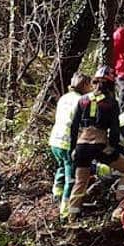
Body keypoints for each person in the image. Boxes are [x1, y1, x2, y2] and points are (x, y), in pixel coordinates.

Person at [65, 66, 124, 222]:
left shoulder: (82, 100)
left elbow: (74, 126)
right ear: (111, 84)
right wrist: (113, 148)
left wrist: (72, 149)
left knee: (80, 181)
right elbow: (115, 130)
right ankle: (121, 200)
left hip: (81, 146)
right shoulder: (111, 103)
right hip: (100, 146)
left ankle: (71, 217)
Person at [49, 72, 93, 219]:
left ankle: (56, 194)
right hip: (68, 142)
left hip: (55, 140)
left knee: (61, 166)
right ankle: (65, 211)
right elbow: (84, 122)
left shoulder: (64, 98)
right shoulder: (82, 100)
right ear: (85, 84)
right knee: (72, 178)